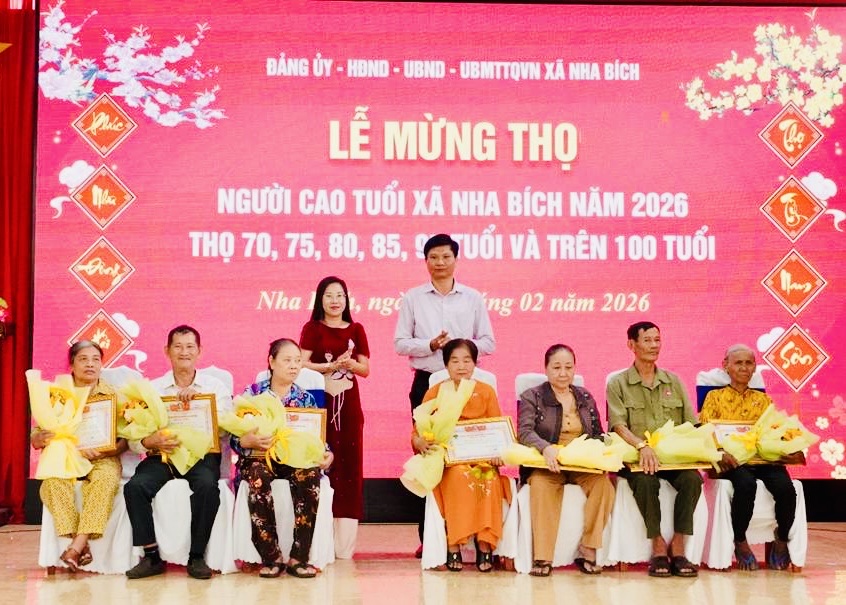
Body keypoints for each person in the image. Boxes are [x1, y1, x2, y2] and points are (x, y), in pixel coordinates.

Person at [394, 233, 495, 556]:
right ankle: (431, 539)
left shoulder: (473, 298)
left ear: (456, 259)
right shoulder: (412, 298)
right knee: (430, 456)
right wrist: (431, 345)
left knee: (466, 457)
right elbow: (400, 343)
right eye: (433, 257)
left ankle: (472, 533)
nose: (440, 263)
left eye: (445, 257)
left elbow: (489, 342)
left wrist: (459, 351)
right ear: (426, 261)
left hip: (466, 387)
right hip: (427, 384)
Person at [123, 325, 233, 579]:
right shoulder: (152, 389)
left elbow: (226, 431)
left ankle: (197, 556)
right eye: (178, 347)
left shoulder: (215, 387)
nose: (184, 352)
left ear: (199, 351)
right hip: (163, 456)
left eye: (190, 347)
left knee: (207, 487)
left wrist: (202, 404)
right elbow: (135, 441)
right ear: (167, 351)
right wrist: (150, 441)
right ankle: (151, 556)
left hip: (201, 456)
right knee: (135, 487)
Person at [606, 321, 702, 578]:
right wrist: (641, 446)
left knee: (692, 479)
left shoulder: (673, 381)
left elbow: (691, 424)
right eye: (647, 340)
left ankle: (678, 544)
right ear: (632, 345)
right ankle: (658, 544)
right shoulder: (618, 383)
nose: (654, 346)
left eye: (657, 340)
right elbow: (617, 426)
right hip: (636, 458)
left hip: (672, 459)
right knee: (646, 482)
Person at [235, 338, 334, 578]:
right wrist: (246, 441)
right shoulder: (252, 394)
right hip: (260, 458)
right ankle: (271, 556)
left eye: (297, 361)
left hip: (293, 461)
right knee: (257, 476)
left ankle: (299, 557)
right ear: (271, 362)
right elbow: (235, 437)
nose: (294, 366)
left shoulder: (305, 399)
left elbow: (316, 438)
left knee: (310, 477)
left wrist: (327, 453)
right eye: (287, 360)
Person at [412, 338, 511, 572]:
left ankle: (485, 545)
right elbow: (418, 429)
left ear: (475, 363)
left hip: (483, 459)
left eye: (467, 360)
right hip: (450, 460)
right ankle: (453, 544)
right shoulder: (436, 392)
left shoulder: (485, 392)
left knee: (489, 479)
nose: (461, 366)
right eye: (455, 361)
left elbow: (496, 427)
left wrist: (498, 452)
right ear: (446, 365)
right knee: (458, 476)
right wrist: (419, 441)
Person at [518, 344, 615, 576]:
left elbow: (598, 433)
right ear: (546, 369)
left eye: (568, 367)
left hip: (581, 463)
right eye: (557, 367)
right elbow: (524, 432)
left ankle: (589, 547)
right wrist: (545, 448)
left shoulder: (585, 396)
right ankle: (543, 557)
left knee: (604, 486)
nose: (563, 373)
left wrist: (598, 453)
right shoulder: (532, 396)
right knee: (540, 486)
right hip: (548, 463)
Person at [699, 344, 797, 571]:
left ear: (754, 368)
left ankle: (782, 538)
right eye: (738, 363)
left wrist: (784, 446)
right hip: (731, 461)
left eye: (748, 363)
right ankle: (740, 540)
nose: (744, 368)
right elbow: (706, 430)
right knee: (746, 484)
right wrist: (721, 452)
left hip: (762, 459)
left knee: (785, 487)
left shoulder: (763, 400)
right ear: (726, 366)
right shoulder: (714, 397)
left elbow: (774, 430)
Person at [31, 340, 127, 572]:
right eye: (83, 359)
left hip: (103, 457)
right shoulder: (57, 395)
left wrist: (109, 450)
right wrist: (40, 438)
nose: (90, 364)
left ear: (101, 365)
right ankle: (80, 546)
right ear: (72, 365)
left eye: (96, 359)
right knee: (52, 483)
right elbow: (36, 436)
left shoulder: (114, 395)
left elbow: (126, 439)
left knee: (106, 480)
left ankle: (76, 546)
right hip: (65, 458)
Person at [300, 276, 370, 558]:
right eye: (329, 295)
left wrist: (350, 364)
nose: (335, 300)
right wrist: (328, 367)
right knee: (322, 460)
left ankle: (344, 546)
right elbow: (300, 363)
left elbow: (365, 370)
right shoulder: (312, 328)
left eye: (340, 295)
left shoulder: (356, 329)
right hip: (321, 403)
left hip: (349, 405)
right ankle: (319, 539)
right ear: (320, 299)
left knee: (349, 466)